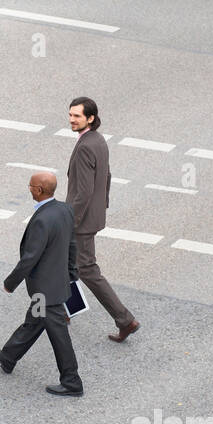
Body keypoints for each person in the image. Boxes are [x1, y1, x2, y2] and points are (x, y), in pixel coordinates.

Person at [0, 172, 84, 397]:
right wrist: (72, 272)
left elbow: (30, 258)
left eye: (30, 186)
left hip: (45, 289)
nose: (28, 188)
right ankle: (8, 357)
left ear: (39, 190)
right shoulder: (65, 209)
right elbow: (72, 244)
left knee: (59, 335)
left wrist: (11, 283)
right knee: (35, 320)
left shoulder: (42, 219)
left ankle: (72, 381)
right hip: (55, 283)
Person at [67, 96, 139, 342]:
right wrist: (103, 206)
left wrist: (71, 221)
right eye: (70, 115)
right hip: (91, 216)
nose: (71, 119)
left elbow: (84, 191)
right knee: (64, 261)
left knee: (87, 269)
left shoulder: (87, 145)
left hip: (81, 221)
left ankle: (125, 320)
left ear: (91, 118)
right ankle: (66, 309)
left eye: (77, 116)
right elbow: (107, 175)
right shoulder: (98, 140)